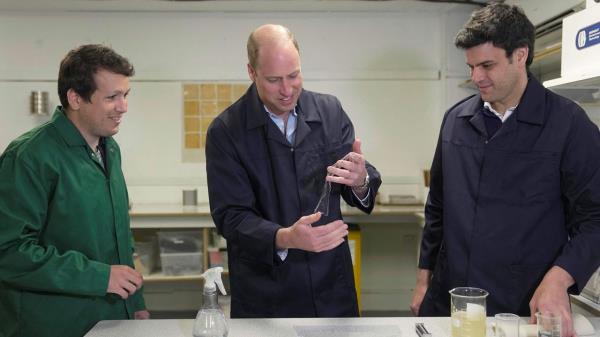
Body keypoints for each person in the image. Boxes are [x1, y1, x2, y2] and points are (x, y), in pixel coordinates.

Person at [410, 3, 600, 337]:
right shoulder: (455, 121)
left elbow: (595, 218)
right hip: (450, 302)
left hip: (522, 308)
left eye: (487, 65)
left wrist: (561, 277)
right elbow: (437, 208)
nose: (476, 77)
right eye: (471, 66)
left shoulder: (569, 125)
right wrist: (423, 279)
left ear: (521, 55)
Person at [206, 24, 381, 318]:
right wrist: (285, 237)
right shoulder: (226, 131)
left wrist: (360, 180)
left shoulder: (329, 111)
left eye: (294, 76)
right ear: (252, 72)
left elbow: (356, 180)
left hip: (330, 287)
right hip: (267, 290)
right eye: (274, 80)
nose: (287, 90)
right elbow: (231, 216)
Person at [0, 44, 149, 337]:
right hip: (51, 324)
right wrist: (99, 277)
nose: (123, 107)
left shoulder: (109, 149)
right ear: (75, 98)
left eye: (125, 95)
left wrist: (134, 302)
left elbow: (119, 235)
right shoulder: (30, 156)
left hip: (110, 317)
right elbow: (9, 251)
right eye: (112, 97)